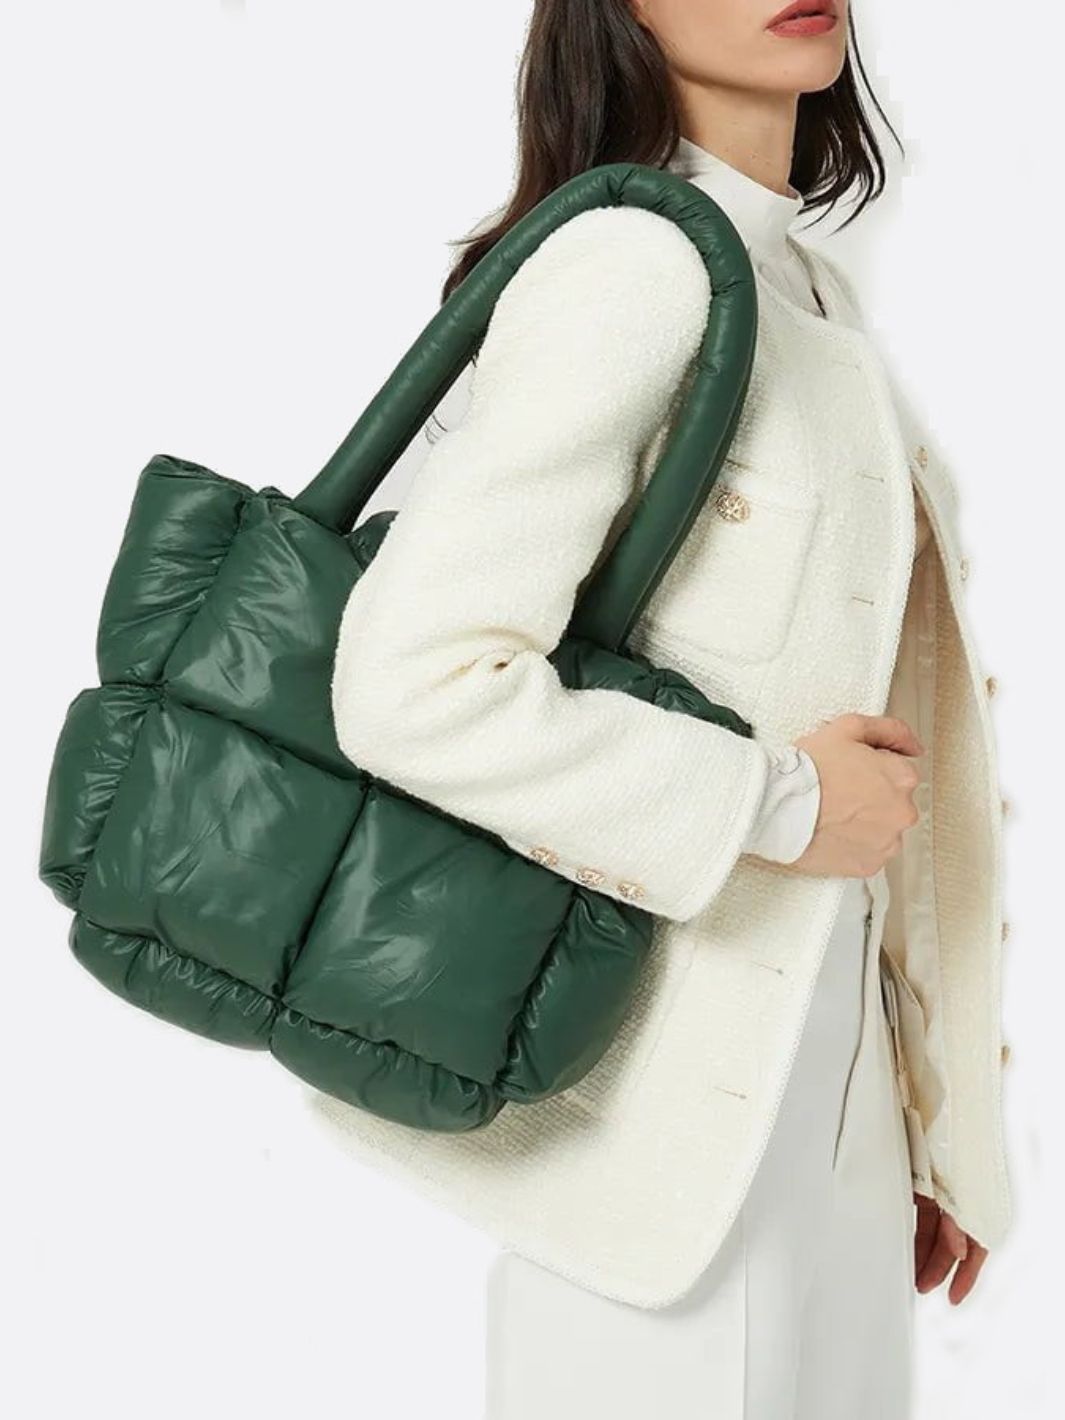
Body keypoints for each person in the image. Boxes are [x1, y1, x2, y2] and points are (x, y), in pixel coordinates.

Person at [311, 3, 1014, 1415]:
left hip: (815, 1104)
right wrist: (784, 800)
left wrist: (930, 1124)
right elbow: (415, 684)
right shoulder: (634, 265)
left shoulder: (805, 287)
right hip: (657, 1126)